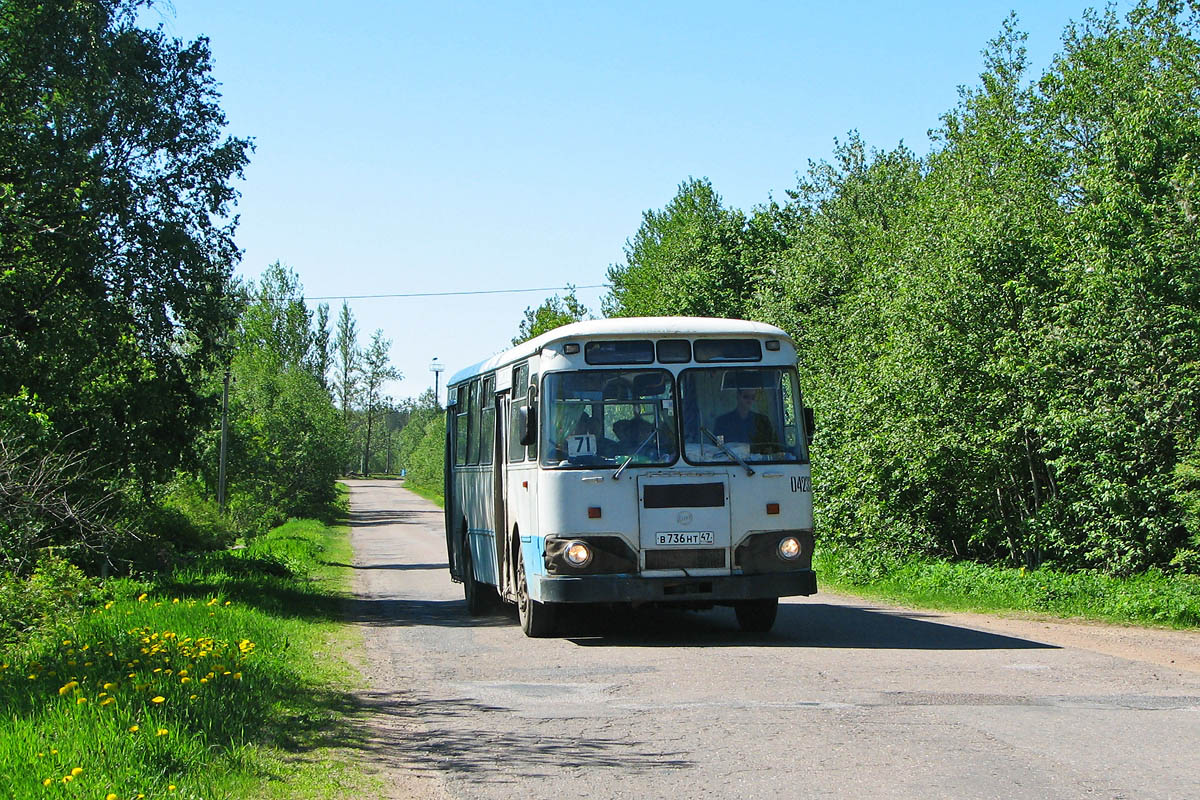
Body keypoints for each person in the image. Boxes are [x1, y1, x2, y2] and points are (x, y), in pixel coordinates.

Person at [713, 388, 776, 453]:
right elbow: (718, 449)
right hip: (731, 462)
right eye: (746, 396)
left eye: (753, 397)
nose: (749, 400)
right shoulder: (722, 422)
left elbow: (770, 448)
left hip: (760, 463)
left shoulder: (763, 421)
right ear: (738, 396)